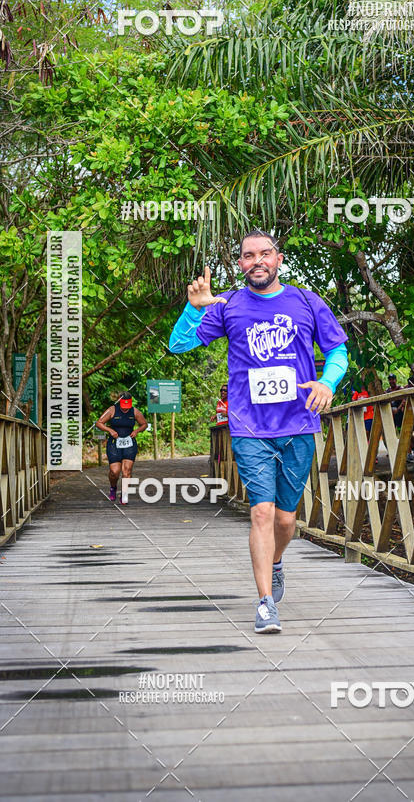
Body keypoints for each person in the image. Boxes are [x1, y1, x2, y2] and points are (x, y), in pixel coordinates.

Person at [169, 230, 349, 633]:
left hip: (298, 423)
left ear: (278, 259)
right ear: (241, 265)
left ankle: (278, 560)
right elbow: (178, 345)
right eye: (248, 256)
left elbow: (338, 349)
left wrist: (328, 382)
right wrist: (193, 308)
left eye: (264, 253)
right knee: (262, 511)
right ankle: (265, 602)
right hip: (249, 427)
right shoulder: (228, 304)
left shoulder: (305, 300)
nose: (257, 261)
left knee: (286, 520)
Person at [95, 392, 148, 504]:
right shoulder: (112, 410)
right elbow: (99, 423)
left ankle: (124, 494)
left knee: (127, 471)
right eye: (123, 407)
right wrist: (110, 430)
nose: (125, 409)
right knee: (115, 472)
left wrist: (136, 431)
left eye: (127, 407)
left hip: (129, 443)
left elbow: (144, 424)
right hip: (114, 443)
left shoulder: (134, 411)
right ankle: (113, 487)